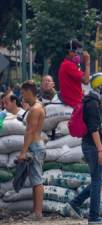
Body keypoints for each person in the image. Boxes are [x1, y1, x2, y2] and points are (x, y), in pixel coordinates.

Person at [68, 73, 102, 224]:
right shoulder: (92, 104)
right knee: (97, 180)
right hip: (93, 147)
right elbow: (94, 129)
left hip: (92, 146)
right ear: (99, 87)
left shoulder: (95, 101)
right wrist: (100, 151)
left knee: (101, 179)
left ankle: (75, 203)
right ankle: (94, 217)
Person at [17, 80, 45, 220]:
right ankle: (35, 211)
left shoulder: (35, 109)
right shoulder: (37, 106)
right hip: (36, 145)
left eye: (23, 93)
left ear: (29, 92)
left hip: (35, 146)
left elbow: (30, 131)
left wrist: (23, 151)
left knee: (37, 180)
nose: (22, 96)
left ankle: (38, 213)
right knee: (35, 180)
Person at [58, 40, 90, 108]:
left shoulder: (70, 65)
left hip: (76, 100)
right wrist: (87, 63)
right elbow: (86, 80)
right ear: (70, 52)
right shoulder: (68, 65)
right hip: (74, 103)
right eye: (77, 53)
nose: (79, 55)